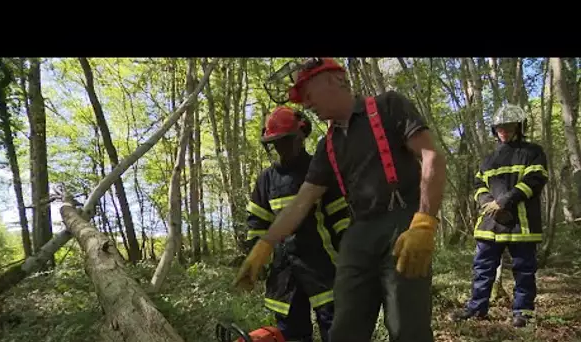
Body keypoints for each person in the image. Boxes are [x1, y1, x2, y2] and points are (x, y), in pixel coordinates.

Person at [234, 58, 447, 342]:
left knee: (407, 329)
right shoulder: (328, 146)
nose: (306, 104)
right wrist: (265, 245)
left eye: (307, 94)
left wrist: (424, 221)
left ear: (334, 80)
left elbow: (431, 156)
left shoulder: (388, 106)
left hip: (402, 225)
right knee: (344, 331)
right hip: (358, 236)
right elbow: (301, 202)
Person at [239, 106, 350, 342]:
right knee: (291, 335)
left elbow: (341, 218)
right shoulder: (266, 180)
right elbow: (257, 224)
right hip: (284, 274)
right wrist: (257, 259)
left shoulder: (320, 170)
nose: (281, 148)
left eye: (286, 141)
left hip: (323, 266)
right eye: (276, 143)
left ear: (301, 136)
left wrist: (352, 258)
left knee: (337, 331)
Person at [450, 104, 548, 328]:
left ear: (520, 127)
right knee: (482, 267)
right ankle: (477, 309)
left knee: (524, 269)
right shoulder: (488, 160)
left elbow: (535, 180)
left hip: (521, 223)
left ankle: (523, 311)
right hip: (489, 223)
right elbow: (478, 184)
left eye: (509, 126)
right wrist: (487, 202)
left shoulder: (533, 152)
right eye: (499, 127)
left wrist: (503, 201)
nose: (503, 131)